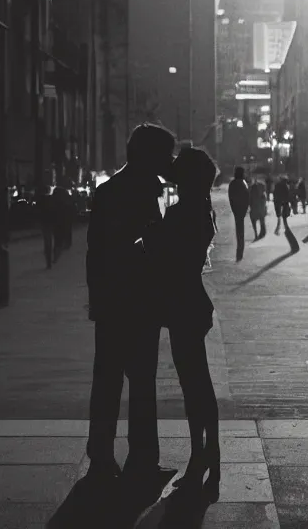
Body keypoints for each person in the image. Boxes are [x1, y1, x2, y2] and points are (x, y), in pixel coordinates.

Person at [85, 123, 176, 483]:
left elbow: (96, 251)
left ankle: (102, 455)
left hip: (113, 299)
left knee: (108, 379)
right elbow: (164, 244)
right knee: (141, 382)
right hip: (140, 298)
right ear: (150, 154)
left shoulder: (109, 190)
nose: (169, 160)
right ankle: (142, 457)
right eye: (165, 154)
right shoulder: (159, 192)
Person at [141, 147, 220, 501]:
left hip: (180, 305)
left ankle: (200, 457)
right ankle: (208, 456)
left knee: (193, 386)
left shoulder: (179, 214)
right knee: (199, 384)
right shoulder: (202, 212)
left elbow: (153, 248)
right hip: (194, 302)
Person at [48, 183, 75, 261]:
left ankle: (57, 249)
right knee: (66, 232)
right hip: (65, 220)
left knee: (57, 236)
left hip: (57, 221)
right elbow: (72, 209)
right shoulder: (67, 200)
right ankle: (64, 245)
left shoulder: (53, 200)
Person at [228, 166, 249, 262]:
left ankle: (239, 251)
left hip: (236, 208)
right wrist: (245, 209)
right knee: (241, 229)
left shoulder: (232, 183)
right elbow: (247, 197)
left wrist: (234, 209)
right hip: (242, 209)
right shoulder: (244, 183)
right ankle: (240, 251)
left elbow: (230, 197)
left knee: (239, 229)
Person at [36, 183, 54, 269]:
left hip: (44, 222)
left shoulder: (40, 200)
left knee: (47, 240)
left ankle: (48, 259)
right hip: (50, 221)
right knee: (49, 239)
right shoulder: (52, 199)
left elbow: (38, 211)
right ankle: (49, 259)